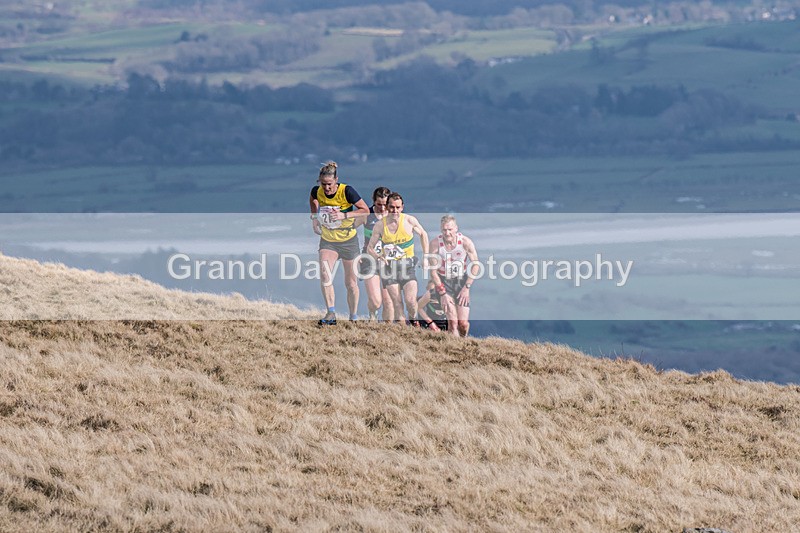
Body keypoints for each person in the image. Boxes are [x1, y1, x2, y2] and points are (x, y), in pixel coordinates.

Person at [309, 161, 369, 325]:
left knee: (350, 283)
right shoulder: (317, 191)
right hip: (329, 240)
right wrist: (315, 219)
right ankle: (331, 313)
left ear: (336, 180)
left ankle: (353, 316)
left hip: (349, 241)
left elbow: (365, 210)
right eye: (323, 184)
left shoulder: (347, 191)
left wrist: (345, 216)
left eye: (329, 184)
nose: (326, 188)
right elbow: (313, 200)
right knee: (325, 274)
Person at [366, 192, 429, 326]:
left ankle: (413, 320)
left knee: (411, 302)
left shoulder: (409, 220)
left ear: (402, 207)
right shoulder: (380, 225)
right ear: (387, 207)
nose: (395, 211)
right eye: (392, 207)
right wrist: (378, 257)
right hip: (389, 268)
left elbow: (423, 234)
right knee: (397, 303)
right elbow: (370, 248)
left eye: (398, 207)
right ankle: (404, 332)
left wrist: (426, 257)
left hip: (407, 266)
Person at [428, 215, 479, 336]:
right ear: (441, 230)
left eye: (450, 229)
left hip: (461, 281)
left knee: (463, 323)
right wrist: (442, 293)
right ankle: (454, 350)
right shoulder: (435, 244)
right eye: (444, 230)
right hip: (444, 281)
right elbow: (433, 271)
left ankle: (464, 341)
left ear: (456, 228)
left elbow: (476, 265)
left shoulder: (465, 242)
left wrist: (467, 287)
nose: (447, 233)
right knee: (453, 323)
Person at [355, 186, 392, 321]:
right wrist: (355, 253)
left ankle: (387, 333)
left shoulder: (394, 215)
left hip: (389, 261)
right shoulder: (367, 215)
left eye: (385, 205)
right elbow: (349, 231)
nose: (382, 208)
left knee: (389, 302)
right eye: (379, 204)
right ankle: (372, 314)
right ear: (373, 201)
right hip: (369, 259)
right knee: (376, 301)